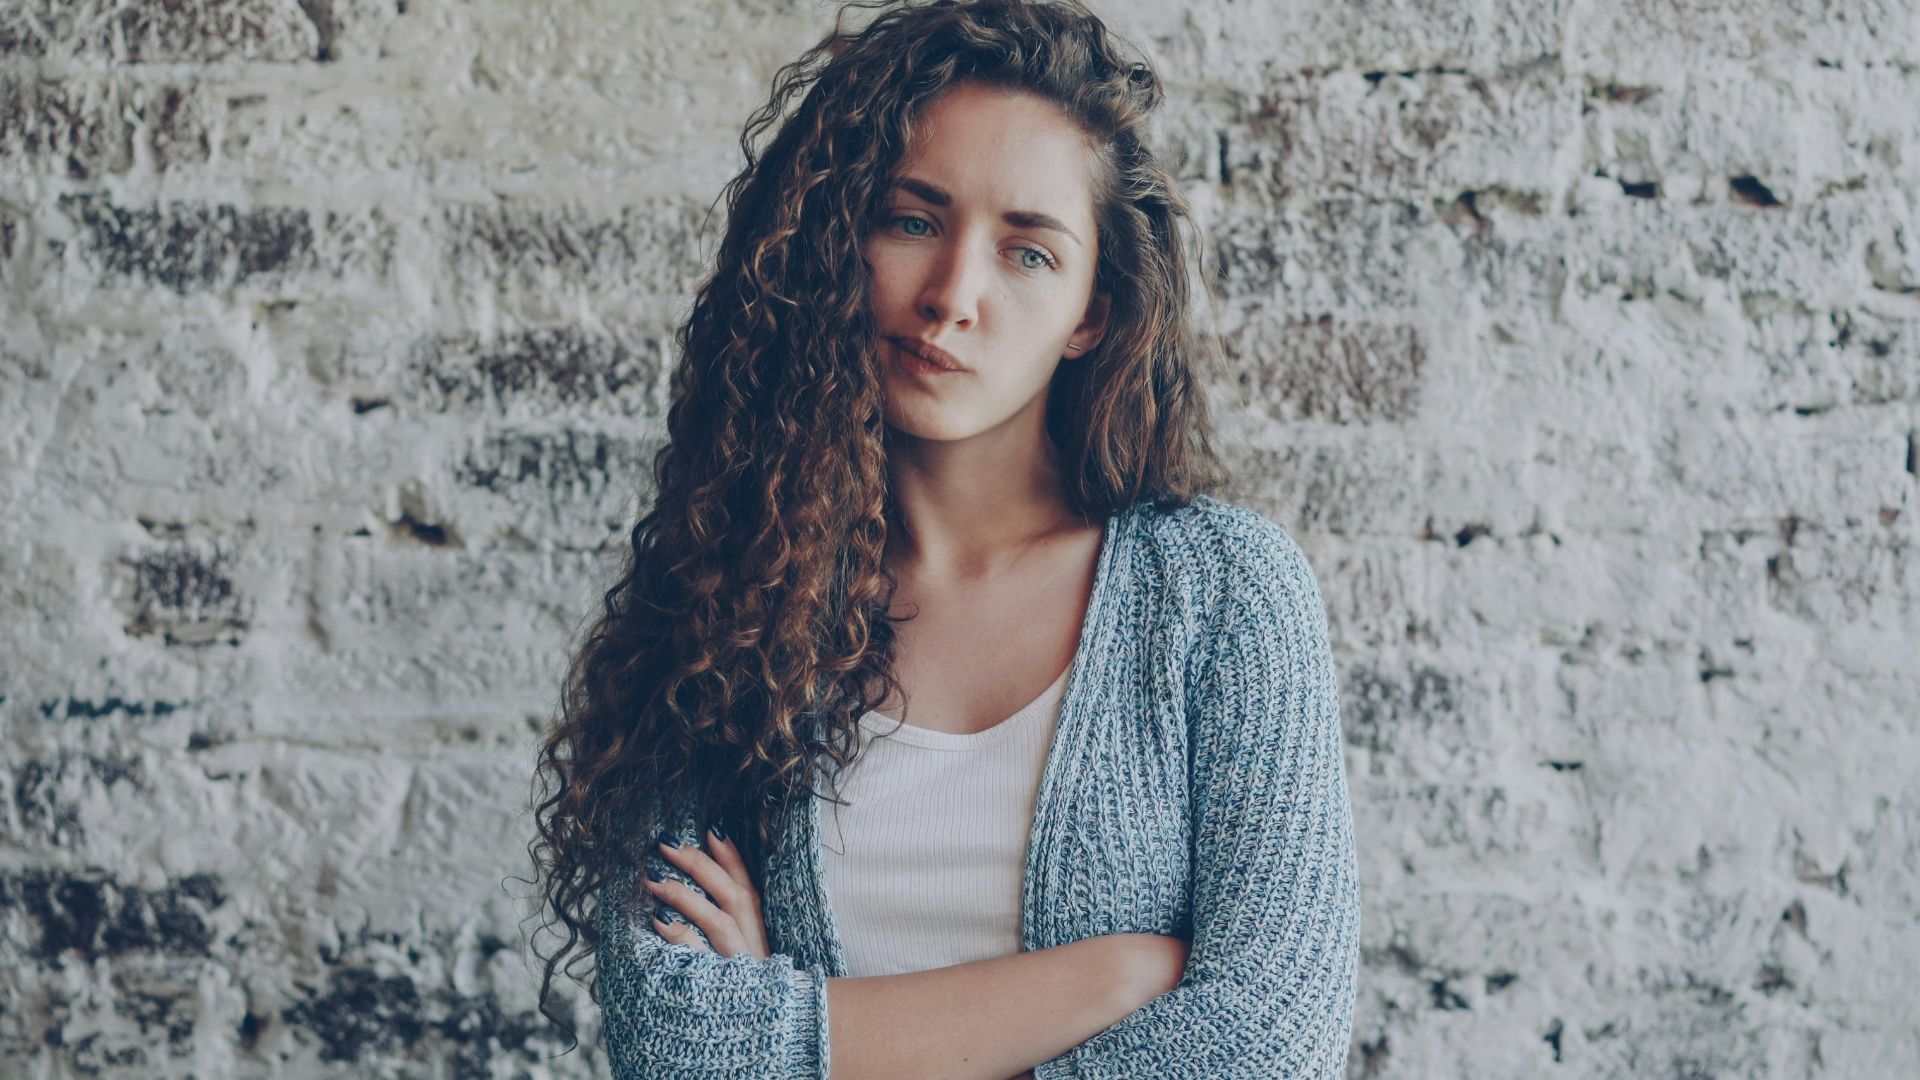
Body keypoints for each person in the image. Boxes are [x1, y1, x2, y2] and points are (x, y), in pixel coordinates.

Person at [527, 1, 1361, 1076]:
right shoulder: (729, 605)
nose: (952, 296)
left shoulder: (1221, 594)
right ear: (838, 240)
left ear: (1091, 314)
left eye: (1027, 253)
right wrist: (1111, 977)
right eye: (912, 221)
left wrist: (804, 1030)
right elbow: (682, 1046)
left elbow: (1268, 1044)